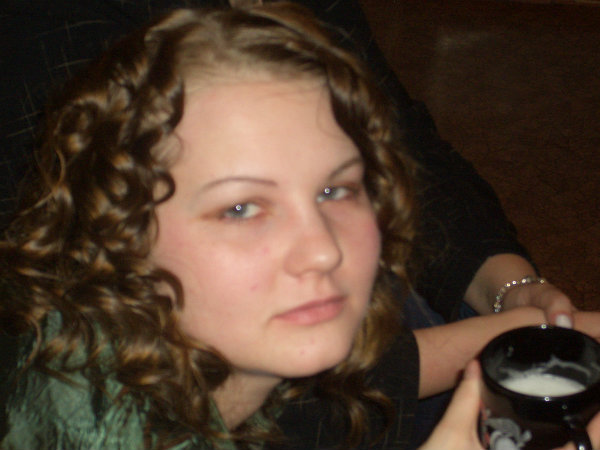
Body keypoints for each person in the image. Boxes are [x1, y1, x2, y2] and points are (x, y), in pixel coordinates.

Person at [1, 4, 600, 449]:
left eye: (336, 190)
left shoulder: (202, 355)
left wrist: (521, 324)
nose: (322, 250)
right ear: (120, 240)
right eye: (241, 208)